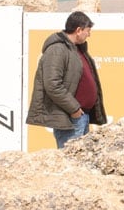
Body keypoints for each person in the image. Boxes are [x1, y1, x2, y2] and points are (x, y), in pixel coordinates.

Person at [25, 11, 107, 149]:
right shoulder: (57, 50)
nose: (89, 34)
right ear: (79, 30)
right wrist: (74, 109)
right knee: (70, 162)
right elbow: (52, 84)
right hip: (70, 117)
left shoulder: (76, 49)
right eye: (88, 31)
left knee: (81, 162)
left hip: (80, 115)